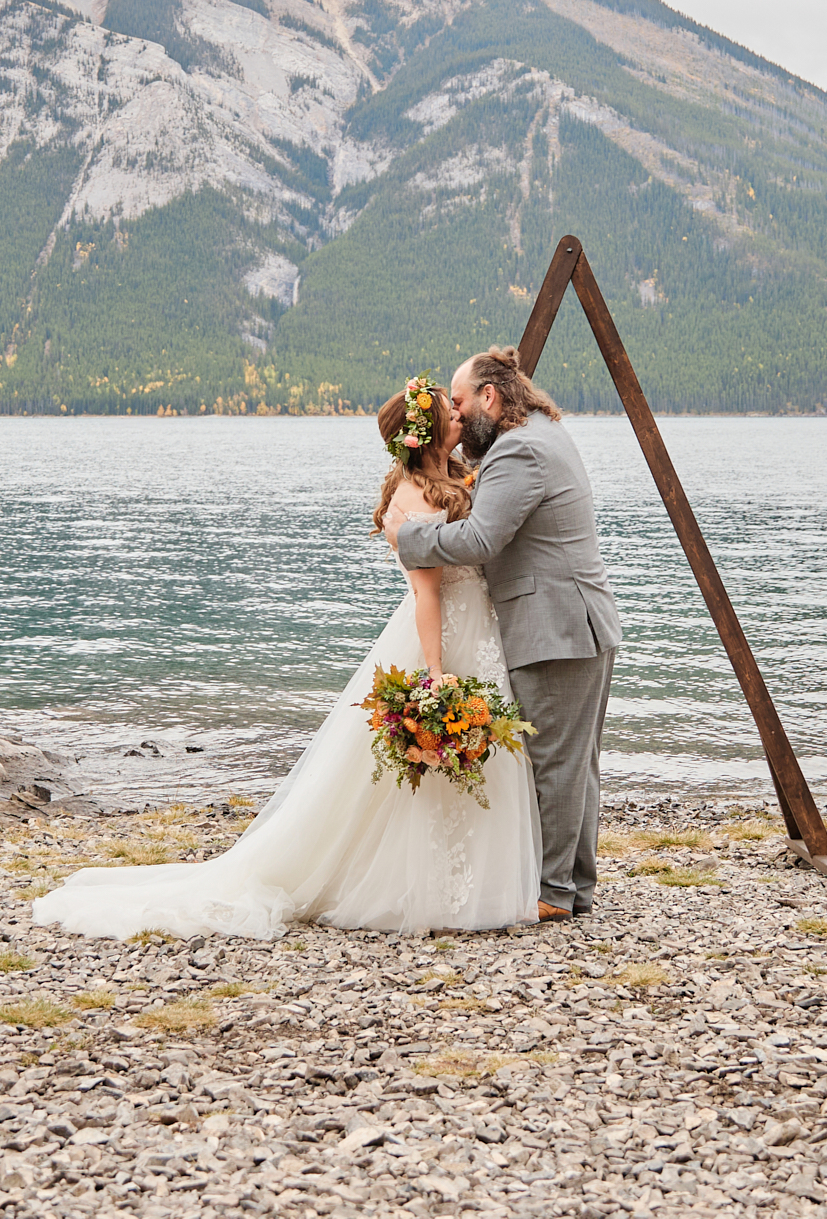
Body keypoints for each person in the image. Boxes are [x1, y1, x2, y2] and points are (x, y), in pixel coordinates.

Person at [34, 377, 542, 939]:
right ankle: (428, 890)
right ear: (426, 433)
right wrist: (436, 671)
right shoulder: (415, 497)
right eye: (450, 412)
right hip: (443, 637)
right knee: (433, 759)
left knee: (475, 757)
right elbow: (426, 594)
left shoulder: (450, 478)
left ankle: (475, 883)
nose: (459, 417)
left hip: (480, 632)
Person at [389, 346, 623, 923]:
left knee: (556, 765)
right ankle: (575, 888)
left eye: (462, 403)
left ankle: (554, 895)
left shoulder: (519, 449)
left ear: (491, 397)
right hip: (575, 622)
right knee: (575, 763)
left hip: (557, 628)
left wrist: (410, 540)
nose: (459, 417)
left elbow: (481, 540)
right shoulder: (542, 432)